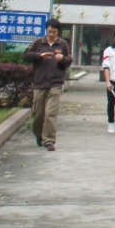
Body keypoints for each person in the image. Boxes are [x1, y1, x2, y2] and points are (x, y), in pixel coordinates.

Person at [24, 19, 71, 151]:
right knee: (38, 113)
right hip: (40, 82)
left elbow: (69, 60)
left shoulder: (62, 44)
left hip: (55, 83)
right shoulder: (39, 43)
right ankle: (39, 136)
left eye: (54, 32)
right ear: (46, 30)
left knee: (51, 113)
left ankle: (49, 140)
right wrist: (39, 56)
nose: (52, 34)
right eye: (50, 31)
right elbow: (26, 55)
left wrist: (62, 59)